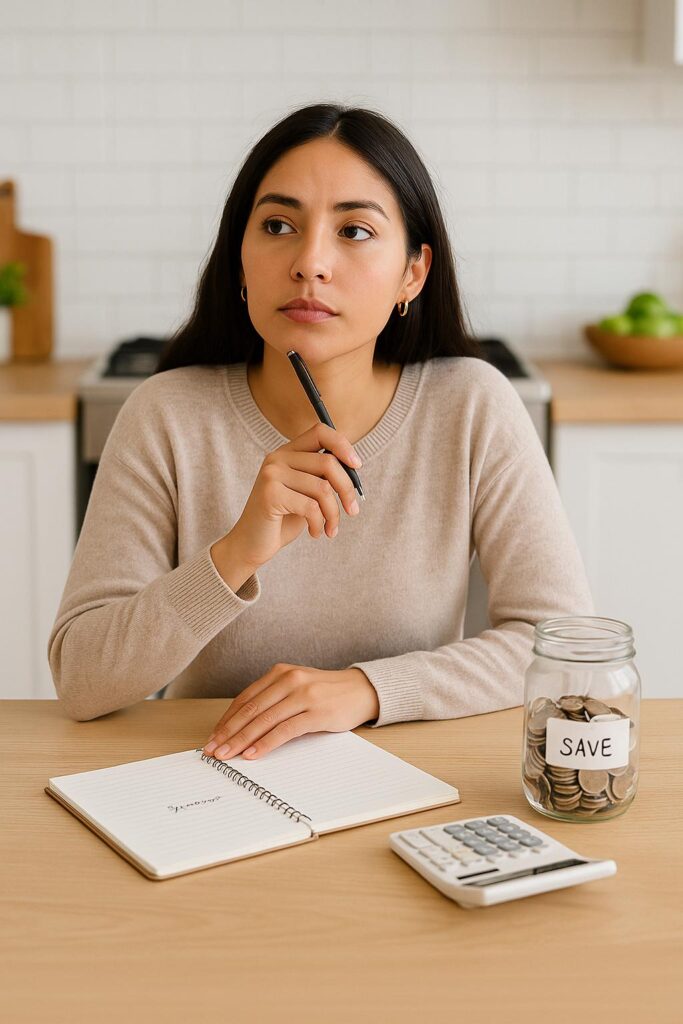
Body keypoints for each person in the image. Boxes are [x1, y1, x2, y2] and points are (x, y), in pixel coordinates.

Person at [48, 102, 594, 761]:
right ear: (239, 263)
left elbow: (558, 643)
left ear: (412, 273)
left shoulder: (471, 405)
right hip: (213, 777)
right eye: (277, 225)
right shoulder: (165, 416)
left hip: (410, 774)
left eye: (355, 232)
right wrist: (236, 553)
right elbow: (80, 678)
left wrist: (366, 690)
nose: (310, 261)